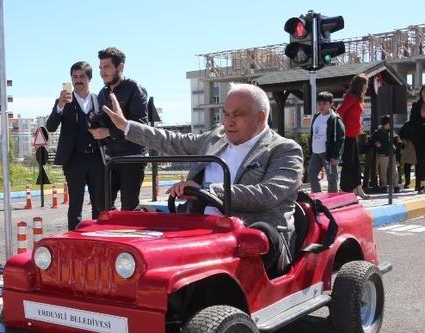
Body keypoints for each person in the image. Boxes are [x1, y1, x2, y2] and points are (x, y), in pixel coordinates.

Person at [91, 83, 303, 275]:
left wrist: (206, 190)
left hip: (252, 239)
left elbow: (267, 194)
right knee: (141, 222)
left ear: (260, 116)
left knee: (253, 238)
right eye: (226, 114)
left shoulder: (284, 149)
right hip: (200, 229)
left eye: (237, 115)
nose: (228, 121)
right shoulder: (216, 138)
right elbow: (173, 141)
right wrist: (125, 126)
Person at [46, 61, 105, 230]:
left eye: (82, 76)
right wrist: (60, 106)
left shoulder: (99, 99)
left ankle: (98, 237)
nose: (78, 80)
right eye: (75, 77)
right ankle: (75, 239)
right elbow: (50, 127)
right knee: (75, 206)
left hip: (96, 159)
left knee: (99, 204)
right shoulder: (63, 101)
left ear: (89, 79)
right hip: (74, 160)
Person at [94, 47, 149, 210]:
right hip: (111, 158)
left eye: (106, 67)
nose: (102, 72)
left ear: (120, 67)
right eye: (100, 68)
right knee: (101, 203)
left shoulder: (134, 88)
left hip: (133, 157)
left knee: (129, 206)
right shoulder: (102, 94)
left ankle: (129, 233)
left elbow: (141, 124)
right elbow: (104, 122)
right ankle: (109, 233)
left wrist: (109, 132)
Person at [337, 73, 369, 198]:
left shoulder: (359, 98)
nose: (367, 86)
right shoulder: (352, 97)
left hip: (354, 134)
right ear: (360, 84)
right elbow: (340, 111)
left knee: (355, 164)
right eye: (366, 83)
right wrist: (344, 128)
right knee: (349, 164)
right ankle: (345, 189)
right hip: (348, 135)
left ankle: (358, 189)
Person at [307, 91, 345, 194]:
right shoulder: (316, 116)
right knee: (311, 174)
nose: (321, 106)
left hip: (328, 153)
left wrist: (336, 156)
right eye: (319, 103)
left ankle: (332, 200)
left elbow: (341, 138)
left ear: (331, 104)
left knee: (331, 178)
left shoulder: (334, 119)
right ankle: (317, 198)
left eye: (324, 103)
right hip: (316, 152)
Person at [372, 115, 396, 188]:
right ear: (386, 123)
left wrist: (396, 143)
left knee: (394, 171)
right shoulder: (378, 132)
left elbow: (396, 138)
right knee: (383, 172)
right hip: (383, 154)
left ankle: (395, 186)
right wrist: (376, 142)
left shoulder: (391, 131)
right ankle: (384, 186)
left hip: (392, 154)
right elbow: (371, 139)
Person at [398, 120, 418, 188]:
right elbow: (401, 132)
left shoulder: (408, 123)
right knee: (408, 165)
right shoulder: (408, 123)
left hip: (415, 144)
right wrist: (404, 140)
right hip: (410, 144)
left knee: (410, 165)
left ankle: (410, 182)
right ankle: (408, 182)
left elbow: (401, 132)